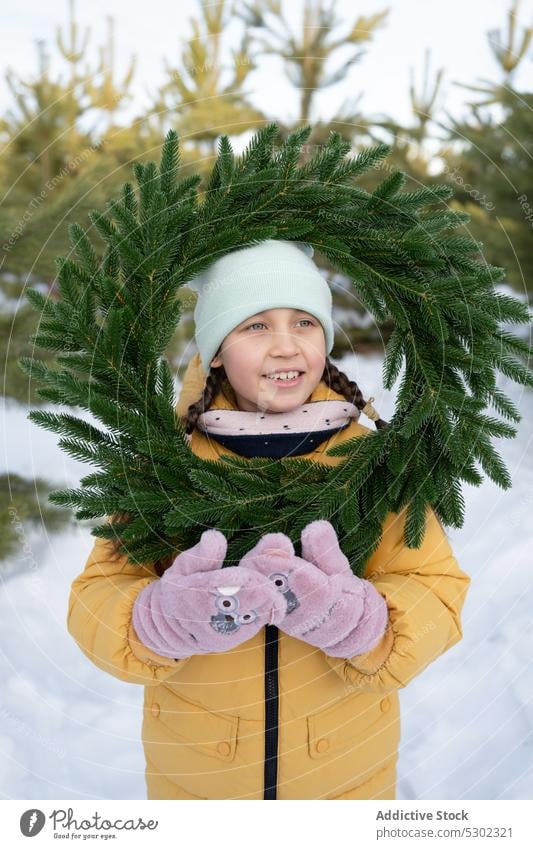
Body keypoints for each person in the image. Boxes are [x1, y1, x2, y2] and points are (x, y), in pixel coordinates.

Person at [67, 239, 471, 800]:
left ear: (325, 342)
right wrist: (153, 621)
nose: (285, 346)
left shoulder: (375, 461)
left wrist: (369, 625)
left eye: (304, 322)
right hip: (200, 786)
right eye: (255, 326)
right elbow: (98, 591)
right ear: (215, 351)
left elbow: (437, 587)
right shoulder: (164, 465)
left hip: (344, 782)